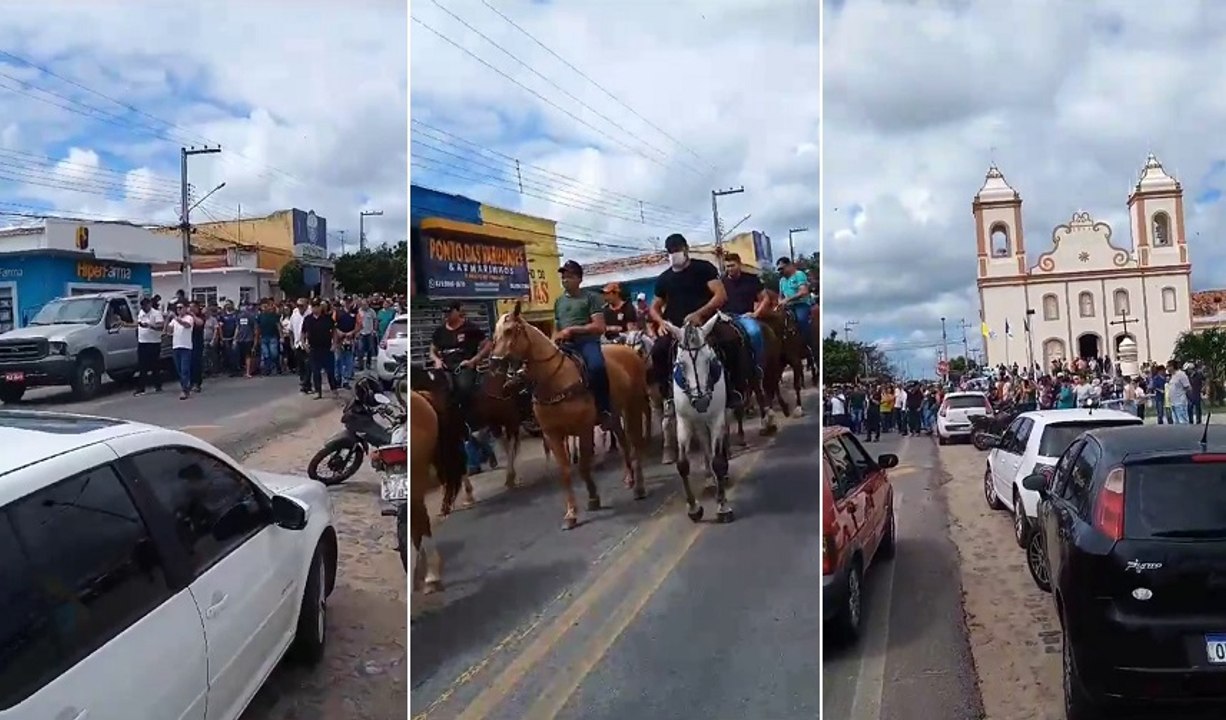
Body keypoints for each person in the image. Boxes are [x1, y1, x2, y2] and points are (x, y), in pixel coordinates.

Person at [647, 233, 747, 408]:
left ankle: (735, 390)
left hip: (706, 323)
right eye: (670, 251)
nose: (674, 254)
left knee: (731, 341)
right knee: (658, 350)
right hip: (678, 328)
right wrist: (661, 322)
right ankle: (668, 395)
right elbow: (654, 307)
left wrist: (700, 313)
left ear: (686, 249)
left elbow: (720, 295)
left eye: (677, 250)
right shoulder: (664, 278)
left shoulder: (703, 268)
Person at [554, 260, 617, 429]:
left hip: (586, 342)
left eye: (569, 276)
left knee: (596, 367)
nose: (565, 280)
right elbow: (557, 328)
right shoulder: (559, 302)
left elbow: (599, 326)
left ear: (579, 279)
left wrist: (573, 330)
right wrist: (556, 338)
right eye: (563, 277)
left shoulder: (591, 298)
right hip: (565, 345)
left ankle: (604, 410)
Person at [429, 301, 491, 419]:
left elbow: (487, 344)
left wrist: (474, 360)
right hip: (445, 368)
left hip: (463, 366)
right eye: (444, 313)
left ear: (457, 311)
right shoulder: (440, 332)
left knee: (464, 388)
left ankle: (471, 420)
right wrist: (437, 360)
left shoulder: (470, 328)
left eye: (449, 312)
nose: (446, 316)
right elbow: (432, 350)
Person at [720, 252, 770, 379]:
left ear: (739, 264)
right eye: (727, 267)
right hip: (725, 318)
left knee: (755, 332)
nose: (729, 269)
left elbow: (765, 298)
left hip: (745, 316)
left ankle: (759, 364)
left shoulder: (752, 279)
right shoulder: (721, 282)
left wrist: (756, 313)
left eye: (732, 265)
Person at [776, 256, 815, 358]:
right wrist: (780, 302)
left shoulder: (799, 275)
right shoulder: (782, 281)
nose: (780, 271)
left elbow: (803, 291)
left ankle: (807, 345)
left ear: (789, 266)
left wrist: (788, 299)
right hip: (788, 306)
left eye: (782, 268)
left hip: (801, 304)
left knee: (801, 320)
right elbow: (780, 296)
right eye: (779, 269)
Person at [302, 300, 339, 398]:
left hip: (326, 348)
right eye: (313, 306)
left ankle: (334, 389)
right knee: (315, 371)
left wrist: (334, 344)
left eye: (317, 306)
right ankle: (318, 391)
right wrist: (303, 343)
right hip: (314, 348)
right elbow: (303, 332)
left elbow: (334, 331)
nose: (315, 308)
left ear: (320, 307)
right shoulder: (308, 319)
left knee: (330, 371)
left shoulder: (327, 319)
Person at [133, 297, 164, 395]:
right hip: (142, 342)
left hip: (154, 342)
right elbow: (138, 325)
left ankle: (157, 385)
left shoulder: (156, 313)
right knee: (142, 366)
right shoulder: (141, 313)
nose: (144, 308)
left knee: (154, 365)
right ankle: (141, 388)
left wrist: (150, 326)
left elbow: (160, 326)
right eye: (142, 306)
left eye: (145, 305)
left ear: (149, 304)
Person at [168, 303, 199, 400]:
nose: (179, 310)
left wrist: (177, 319)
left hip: (186, 347)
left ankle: (185, 390)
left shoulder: (188, 317)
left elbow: (187, 325)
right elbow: (168, 330)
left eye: (181, 308)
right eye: (177, 308)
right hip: (176, 346)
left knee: (184, 368)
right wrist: (167, 319)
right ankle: (186, 386)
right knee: (179, 369)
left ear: (185, 309)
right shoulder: (174, 320)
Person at [334, 299, 358, 388]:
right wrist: (338, 332)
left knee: (348, 360)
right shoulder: (338, 312)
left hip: (349, 339)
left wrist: (352, 332)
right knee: (338, 360)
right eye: (346, 302)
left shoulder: (355, 313)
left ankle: (346, 380)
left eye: (349, 302)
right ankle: (337, 379)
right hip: (338, 340)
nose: (348, 304)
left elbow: (359, 325)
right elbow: (333, 324)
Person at [255, 299, 281, 377]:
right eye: (263, 306)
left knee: (274, 353)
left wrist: (281, 336)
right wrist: (257, 337)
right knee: (266, 354)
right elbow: (257, 328)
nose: (265, 307)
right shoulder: (259, 316)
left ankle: (276, 365)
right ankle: (268, 369)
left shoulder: (274, 315)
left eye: (266, 306)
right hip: (263, 337)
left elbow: (278, 326)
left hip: (273, 336)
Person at [290, 298, 311, 394]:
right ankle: (304, 381)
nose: (300, 308)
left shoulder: (310, 314)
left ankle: (306, 384)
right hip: (297, 343)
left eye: (302, 306)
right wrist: (291, 342)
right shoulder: (294, 315)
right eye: (298, 305)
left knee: (308, 364)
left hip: (308, 344)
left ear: (306, 305)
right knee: (301, 365)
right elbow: (290, 330)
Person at [235, 302, 257, 378]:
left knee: (248, 355)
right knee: (242, 356)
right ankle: (244, 371)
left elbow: (254, 327)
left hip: (248, 338)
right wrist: (235, 338)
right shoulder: (238, 316)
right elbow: (237, 327)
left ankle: (248, 372)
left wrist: (255, 338)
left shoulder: (251, 316)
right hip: (240, 339)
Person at [189, 302, 205, 392]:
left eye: (193, 307)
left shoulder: (200, 316)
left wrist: (193, 315)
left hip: (197, 342)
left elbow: (200, 323)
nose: (191, 309)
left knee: (196, 363)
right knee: (189, 363)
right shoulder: (186, 317)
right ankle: (190, 382)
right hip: (187, 342)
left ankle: (197, 383)